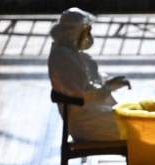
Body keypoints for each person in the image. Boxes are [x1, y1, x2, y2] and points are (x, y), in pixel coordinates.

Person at [48, 8, 131, 141]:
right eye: (87, 32)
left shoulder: (71, 53)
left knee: (140, 119)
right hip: (86, 123)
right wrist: (107, 88)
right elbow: (84, 93)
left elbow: (90, 79)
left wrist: (108, 82)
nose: (89, 37)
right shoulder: (63, 57)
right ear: (74, 33)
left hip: (92, 114)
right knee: (140, 128)